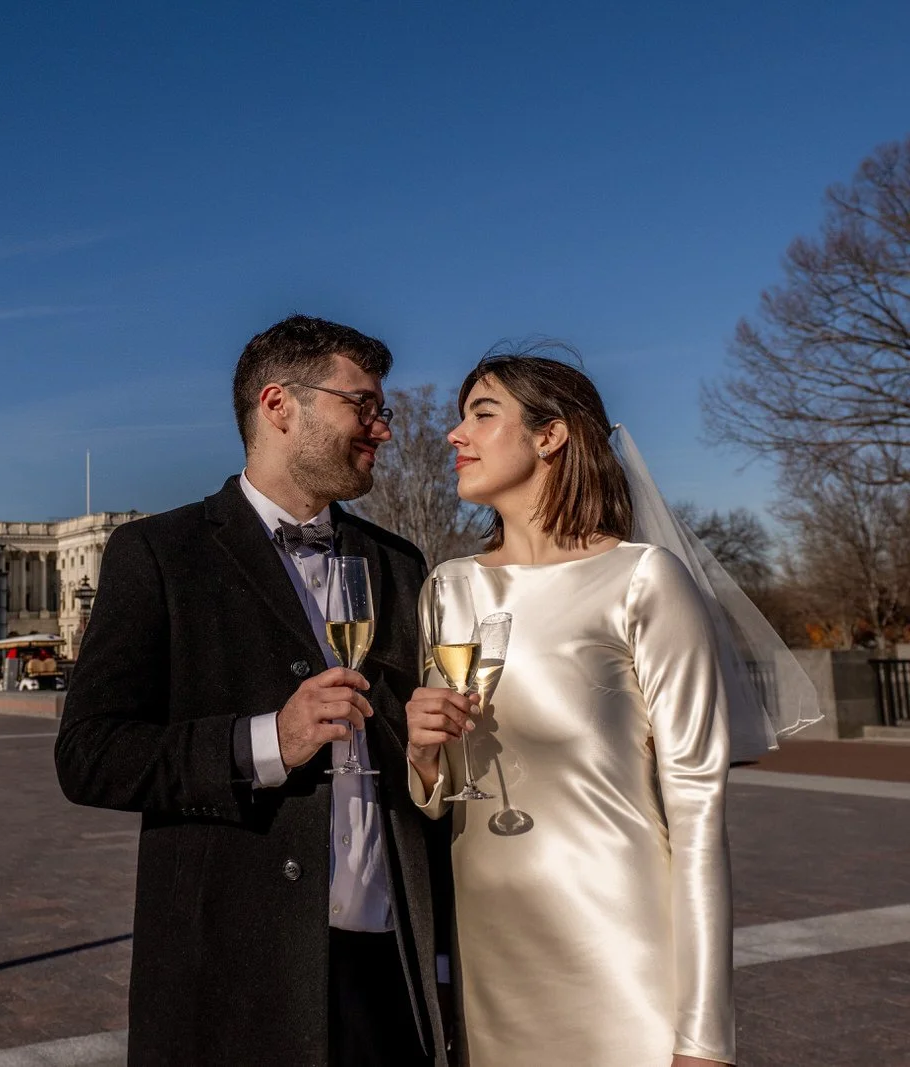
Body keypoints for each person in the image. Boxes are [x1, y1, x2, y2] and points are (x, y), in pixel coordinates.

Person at [56, 315, 452, 1067]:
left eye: (383, 410)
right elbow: (88, 754)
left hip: (389, 979)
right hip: (232, 981)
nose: (384, 430)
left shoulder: (400, 562)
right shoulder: (158, 554)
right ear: (279, 406)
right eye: (363, 406)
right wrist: (269, 740)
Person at [405, 350, 735, 1067]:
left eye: (481, 414)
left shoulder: (643, 581)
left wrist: (705, 1035)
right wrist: (424, 752)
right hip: (490, 958)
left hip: (621, 952)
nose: (455, 435)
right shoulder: (447, 589)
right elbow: (442, 798)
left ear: (550, 434)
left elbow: (698, 812)